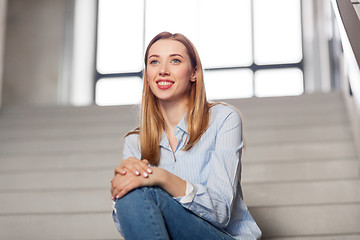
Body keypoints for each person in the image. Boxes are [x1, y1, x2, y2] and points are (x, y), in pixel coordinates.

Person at [110, 32, 261, 240]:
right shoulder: (135, 142)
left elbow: (221, 211)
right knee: (132, 193)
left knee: (142, 189)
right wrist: (121, 190)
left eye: (175, 60)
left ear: (194, 73)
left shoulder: (223, 120)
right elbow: (137, 225)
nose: (163, 70)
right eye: (154, 62)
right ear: (147, 74)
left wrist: (161, 178)